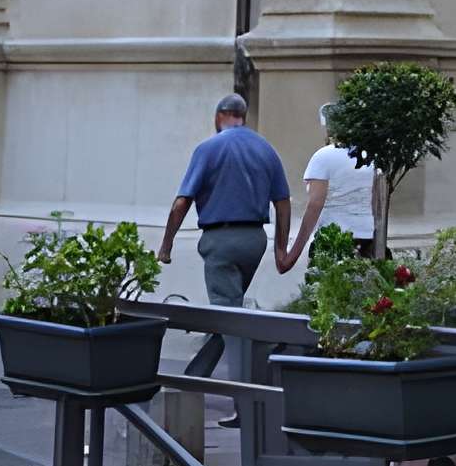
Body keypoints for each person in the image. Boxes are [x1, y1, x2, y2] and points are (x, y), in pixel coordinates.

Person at [159, 91, 292, 380]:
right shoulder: (265, 148)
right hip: (255, 241)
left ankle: (248, 396)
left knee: (230, 321)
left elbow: (182, 202)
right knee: (231, 311)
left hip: (220, 242)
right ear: (242, 117)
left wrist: (166, 245)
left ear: (219, 116)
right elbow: (283, 201)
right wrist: (281, 249)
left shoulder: (208, 148)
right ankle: (195, 375)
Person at [277, 108, 381, 273]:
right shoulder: (368, 156)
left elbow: (315, 205)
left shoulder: (324, 156)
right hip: (366, 235)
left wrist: (292, 255)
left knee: (329, 292)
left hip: (334, 238)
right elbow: (375, 202)